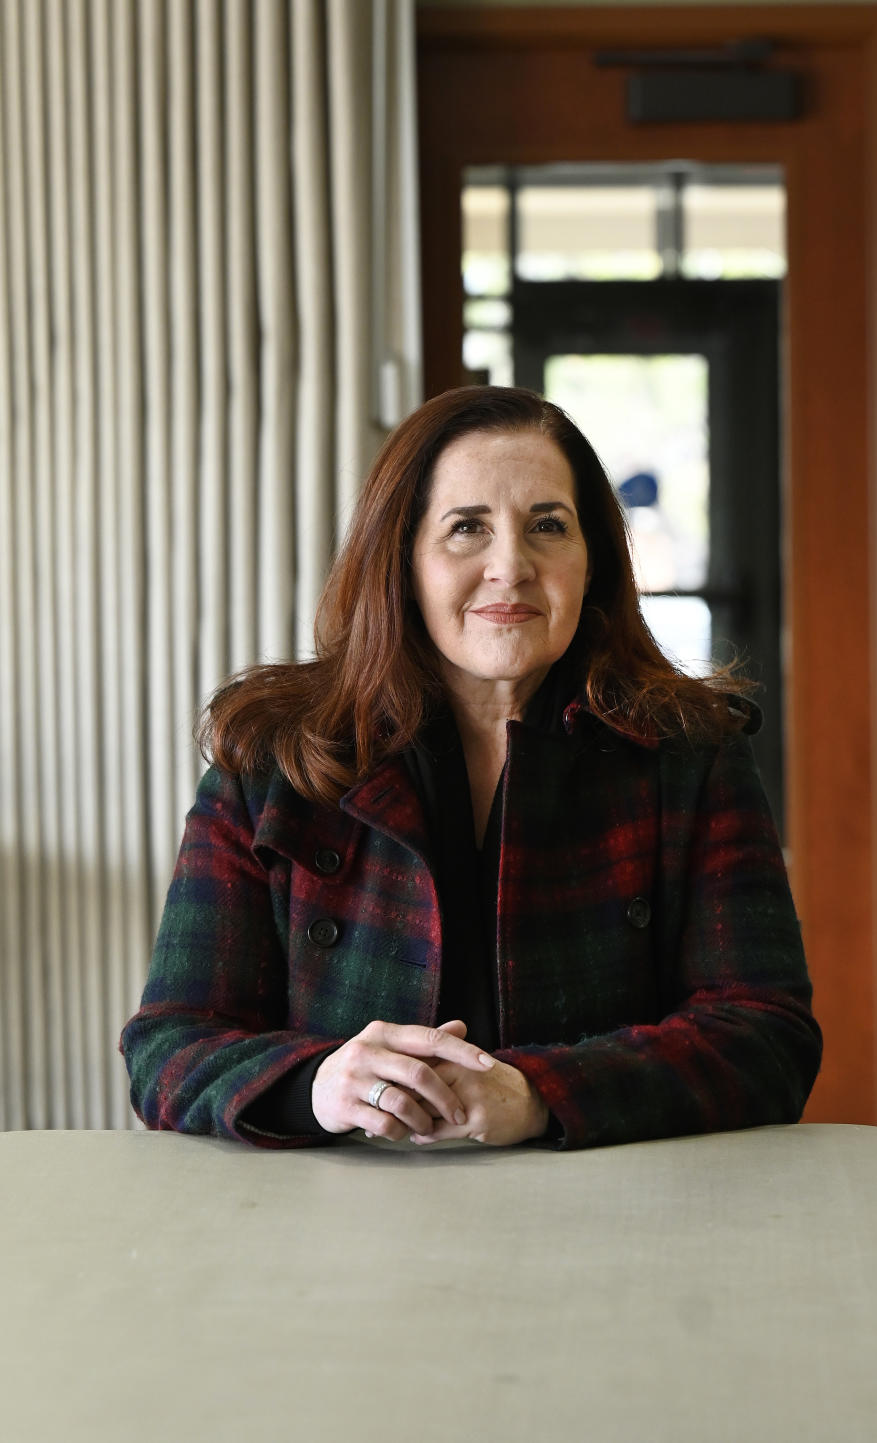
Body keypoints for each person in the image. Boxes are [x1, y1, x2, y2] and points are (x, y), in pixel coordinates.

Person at [120, 385, 822, 1149]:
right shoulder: (274, 755)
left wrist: (540, 1095)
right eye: (466, 528)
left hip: (615, 1216)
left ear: (592, 562)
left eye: (547, 526)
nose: (510, 566)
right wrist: (321, 1082)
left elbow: (767, 1036)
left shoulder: (692, 751)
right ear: (403, 560)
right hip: (335, 1226)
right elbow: (169, 1046)